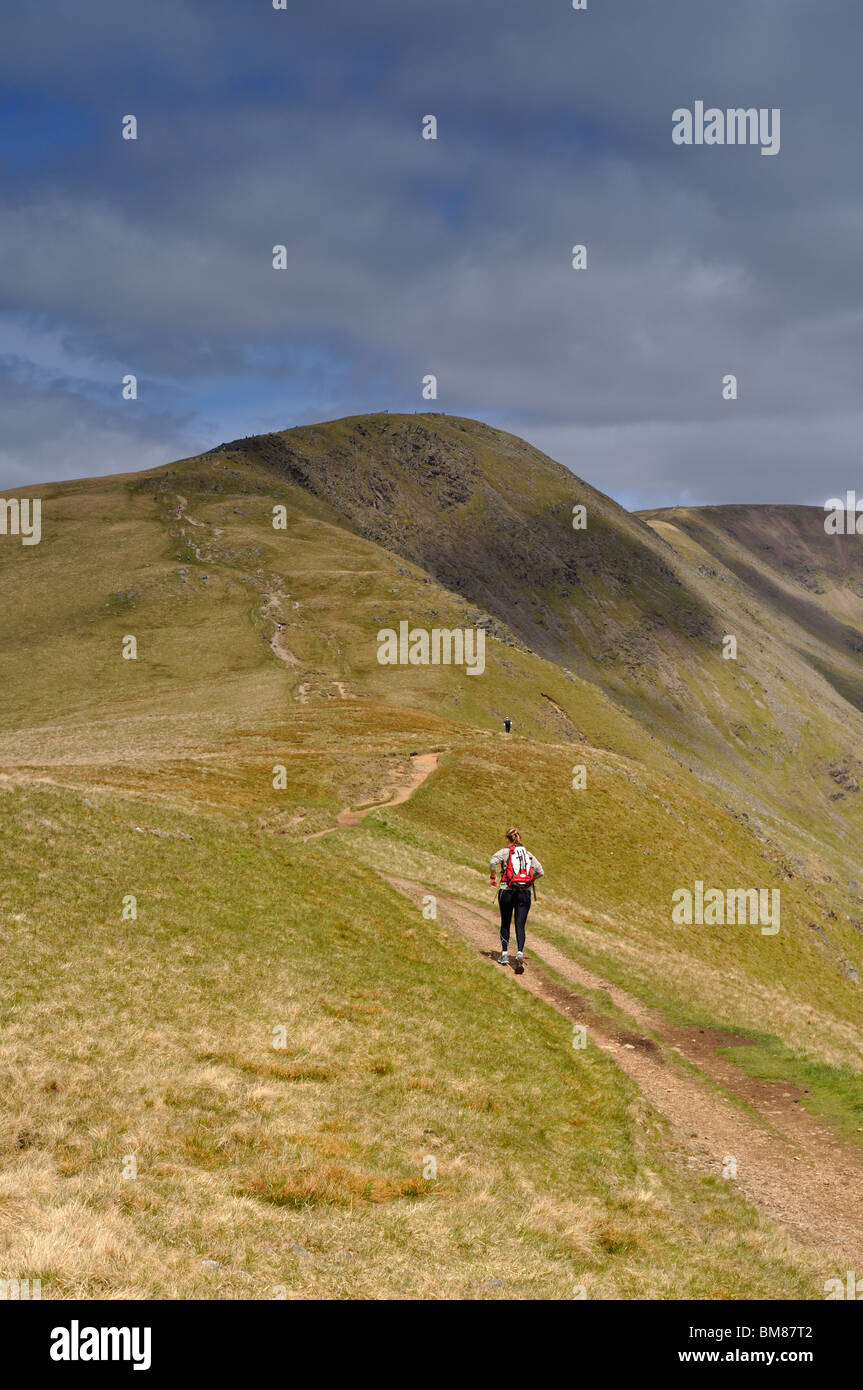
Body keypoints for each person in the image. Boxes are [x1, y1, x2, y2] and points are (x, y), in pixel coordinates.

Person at [489, 828, 543, 973]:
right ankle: (519, 953)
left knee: (505, 922)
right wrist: (529, 881)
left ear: (507, 839)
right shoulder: (527, 854)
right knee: (520, 925)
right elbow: (540, 871)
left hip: (506, 891)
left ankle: (504, 954)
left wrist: (493, 878)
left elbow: (492, 862)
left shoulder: (505, 852)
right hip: (524, 893)